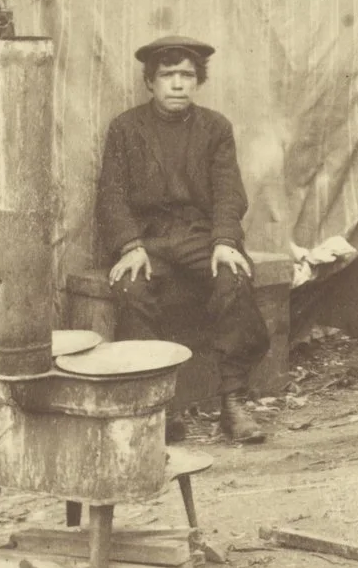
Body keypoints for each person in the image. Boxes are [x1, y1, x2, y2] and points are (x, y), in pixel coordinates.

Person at [93, 36, 270, 445]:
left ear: (198, 81)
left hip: (199, 236)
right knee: (131, 288)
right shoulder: (125, 128)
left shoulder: (215, 128)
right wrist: (129, 246)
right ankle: (159, 409)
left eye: (187, 76)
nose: (178, 84)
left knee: (233, 277)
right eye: (168, 75)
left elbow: (229, 191)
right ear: (150, 82)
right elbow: (111, 195)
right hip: (148, 239)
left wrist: (225, 240)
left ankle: (232, 401)